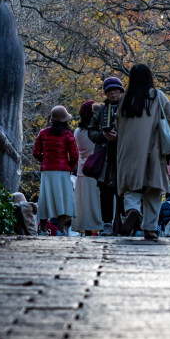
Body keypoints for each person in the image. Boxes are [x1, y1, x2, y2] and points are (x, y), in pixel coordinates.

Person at [116, 63, 170, 241]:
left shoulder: (125, 99)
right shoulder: (157, 96)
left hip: (128, 151)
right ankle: (149, 228)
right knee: (153, 189)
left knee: (131, 186)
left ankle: (132, 209)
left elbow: (118, 126)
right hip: (152, 149)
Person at [33, 105, 79, 236]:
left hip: (47, 171)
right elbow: (74, 155)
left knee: (45, 198)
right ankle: (60, 229)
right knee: (62, 199)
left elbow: (36, 152)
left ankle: (42, 229)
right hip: (63, 170)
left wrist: (45, 161)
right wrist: (70, 167)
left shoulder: (43, 133)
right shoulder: (68, 134)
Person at [88, 77, 125, 236]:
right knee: (105, 193)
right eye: (109, 90)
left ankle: (126, 224)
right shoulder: (100, 110)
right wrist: (103, 135)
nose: (112, 93)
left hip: (124, 156)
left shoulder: (129, 108)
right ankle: (107, 224)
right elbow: (91, 132)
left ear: (121, 91)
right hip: (105, 158)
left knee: (124, 191)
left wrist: (120, 136)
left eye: (115, 90)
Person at [72, 100, 103, 235]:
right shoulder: (99, 131)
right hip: (99, 169)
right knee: (99, 202)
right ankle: (102, 226)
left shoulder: (78, 132)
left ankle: (87, 229)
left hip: (83, 171)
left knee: (84, 204)